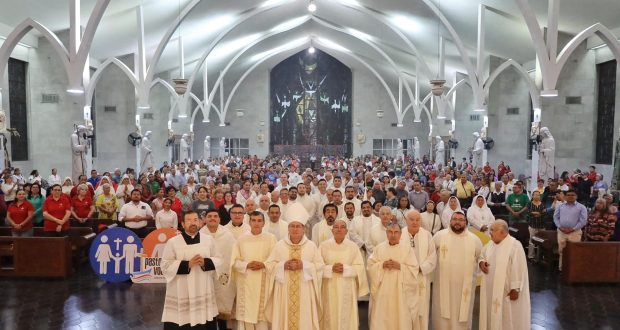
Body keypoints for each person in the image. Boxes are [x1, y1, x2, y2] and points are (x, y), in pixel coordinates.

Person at [264, 204, 324, 330]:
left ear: (304, 229)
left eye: (298, 226)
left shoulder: (311, 246)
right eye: (292, 226)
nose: (295, 229)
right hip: (284, 290)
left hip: (305, 291)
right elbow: (269, 265)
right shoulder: (280, 245)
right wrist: (282, 266)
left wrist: (305, 265)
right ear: (288, 228)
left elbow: (320, 267)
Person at [161, 210, 221, 329]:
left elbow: (219, 259)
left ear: (199, 222)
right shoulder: (173, 242)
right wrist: (187, 264)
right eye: (188, 220)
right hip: (181, 290)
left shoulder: (208, 240)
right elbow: (165, 265)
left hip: (203, 288)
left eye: (195, 220)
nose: (192, 223)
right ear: (182, 224)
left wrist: (206, 262)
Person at [432, 211, 483, 329]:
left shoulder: (474, 239)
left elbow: (481, 257)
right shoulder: (439, 236)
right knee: (442, 315)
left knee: (463, 314)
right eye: (455, 219)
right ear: (450, 221)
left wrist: (481, 263)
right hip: (443, 286)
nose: (457, 222)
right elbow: (430, 255)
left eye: (461, 220)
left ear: (466, 222)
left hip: (464, 288)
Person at [479, 220, 531, 330]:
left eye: (493, 230)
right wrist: (481, 263)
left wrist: (515, 289)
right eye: (490, 230)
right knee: (492, 316)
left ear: (503, 232)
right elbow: (482, 255)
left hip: (506, 292)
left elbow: (519, 269)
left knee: (507, 318)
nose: (490, 232)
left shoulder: (515, 246)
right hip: (491, 291)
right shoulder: (490, 244)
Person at [230, 211, 277, 330]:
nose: (256, 223)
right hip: (246, 282)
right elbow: (234, 262)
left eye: (259, 220)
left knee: (262, 317)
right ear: (249, 222)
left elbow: (276, 260)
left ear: (264, 223)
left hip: (264, 280)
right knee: (247, 315)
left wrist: (263, 264)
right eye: (254, 220)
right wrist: (246, 265)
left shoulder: (271, 239)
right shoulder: (241, 239)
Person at [319, 219, 369, 330]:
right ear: (332, 230)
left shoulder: (353, 246)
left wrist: (345, 269)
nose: (339, 229)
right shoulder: (323, 246)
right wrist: (331, 268)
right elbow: (317, 267)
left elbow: (359, 267)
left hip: (347, 286)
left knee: (346, 314)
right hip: (328, 286)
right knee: (330, 314)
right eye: (336, 227)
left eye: (342, 227)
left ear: (346, 231)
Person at [367, 223, 419, 329]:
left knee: (400, 317)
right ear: (386, 233)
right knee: (381, 316)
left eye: (396, 232)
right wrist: (382, 265)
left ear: (400, 234)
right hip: (382, 291)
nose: (393, 235)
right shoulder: (379, 248)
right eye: (390, 232)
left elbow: (414, 269)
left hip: (401, 292)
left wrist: (400, 266)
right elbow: (370, 266)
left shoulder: (407, 249)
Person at [199, 209, 237, 329]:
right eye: (209, 216)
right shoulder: (200, 234)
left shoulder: (227, 234)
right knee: (206, 307)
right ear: (205, 219)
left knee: (222, 305)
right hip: (205, 275)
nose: (212, 218)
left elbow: (232, 254)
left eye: (215, 216)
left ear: (220, 219)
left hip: (223, 275)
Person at [400, 210, 437, 329]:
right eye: (411, 219)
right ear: (406, 220)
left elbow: (432, 256)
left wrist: (421, 268)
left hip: (421, 276)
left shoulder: (427, 235)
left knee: (422, 309)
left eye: (417, 220)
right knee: (404, 309)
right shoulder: (400, 234)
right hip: (404, 277)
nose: (415, 222)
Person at [553, 188, 587, 271]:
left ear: (576, 196)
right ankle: (561, 269)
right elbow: (555, 217)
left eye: (573, 195)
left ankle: (573, 270)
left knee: (574, 251)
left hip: (575, 232)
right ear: (565, 196)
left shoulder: (581, 207)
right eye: (568, 195)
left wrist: (572, 229)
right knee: (561, 251)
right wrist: (560, 227)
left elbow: (583, 221)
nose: (570, 197)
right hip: (561, 231)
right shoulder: (560, 206)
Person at [526, 191, 546, 258]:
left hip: (541, 225)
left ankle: (540, 256)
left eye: (538, 195)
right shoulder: (529, 203)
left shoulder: (542, 204)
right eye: (535, 195)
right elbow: (528, 212)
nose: (537, 196)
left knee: (541, 241)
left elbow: (545, 212)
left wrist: (538, 213)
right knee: (531, 241)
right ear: (532, 196)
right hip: (532, 225)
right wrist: (535, 213)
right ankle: (531, 256)